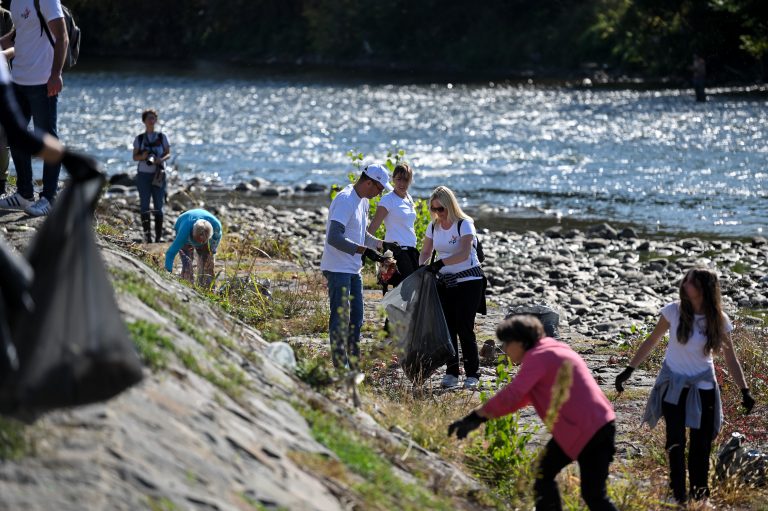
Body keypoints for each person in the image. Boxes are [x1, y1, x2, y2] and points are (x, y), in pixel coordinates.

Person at [615, 267, 755, 505]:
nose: (684, 285)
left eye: (689, 282)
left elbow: (731, 359)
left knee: (700, 447)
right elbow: (652, 340)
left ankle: (700, 498)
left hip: (704, 390)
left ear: (703, 288)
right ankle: (677, 495)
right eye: (685, 281)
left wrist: (745, 390)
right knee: (675, 443)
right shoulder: (673, 311)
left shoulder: (718, 319)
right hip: (674, 387)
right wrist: (629, 369)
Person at [449, 316, 618, 511]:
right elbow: (521, 399)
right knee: (544, 476)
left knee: (591, 494)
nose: (503, 348)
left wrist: (475, 417)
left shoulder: (539, 356)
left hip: (587, 429)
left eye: (506, 343)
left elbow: (513, 394)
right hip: (597, 424)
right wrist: (479, 418)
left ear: (520, 342)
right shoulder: (553, 348)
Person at [320, 164, 397, 370]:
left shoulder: (363, 201)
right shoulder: (346, 200)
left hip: (353, 269)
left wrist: (381, 245)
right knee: (341, 317)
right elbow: (334, 237)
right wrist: (363, 251)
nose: (379, 193)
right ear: (369, 182)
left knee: (357, 318)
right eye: (379, 189)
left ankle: (352, 363)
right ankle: (341, 368)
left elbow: (360, 234)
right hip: (338, 268)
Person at [0, 0, 68, 216]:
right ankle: (24, 194)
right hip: (18, 79)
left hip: (42, 81)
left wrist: (55, 74)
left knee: (47, 138)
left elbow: (62, 37)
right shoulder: (17, 2)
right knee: (16, 135)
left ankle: (49, 197)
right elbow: (19, 34)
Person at [419, 185, 485, 389]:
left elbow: (465, 253)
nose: (438, 213)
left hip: (469, 282)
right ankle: (452, 372)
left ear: (450, 206)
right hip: (445, 283)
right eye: (434, 209)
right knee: (447, 328)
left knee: (464, 327)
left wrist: (439, 264)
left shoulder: (464, 225)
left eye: (442, 209)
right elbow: (426, 252)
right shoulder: (433, 227)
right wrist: (421, 268)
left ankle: (473, 373)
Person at [367, 162, 419, 292]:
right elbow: (373, 226)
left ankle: (406, 312)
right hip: (397, 251)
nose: (402, 183)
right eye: (398, 179)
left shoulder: (409, 198)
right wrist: (366, 250)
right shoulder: (388, 199)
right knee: (409, 289)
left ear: (411, 180)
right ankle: (397, 312)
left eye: (406, 180)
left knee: (416, 288)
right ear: (393, 179)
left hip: (412, 250)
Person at [132, 109, 170, 243]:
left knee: (159, 206)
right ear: (144, 121)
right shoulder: (140, 139)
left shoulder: (162, 137)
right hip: (143, 175)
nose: (151, 121)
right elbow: (134, 157)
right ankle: (147, 236)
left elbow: (168, 153)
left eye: (153, 118)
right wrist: (143, 156)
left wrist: (160, 159)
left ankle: (158, 237)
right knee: (144, 205)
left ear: (156, 120)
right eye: (149, 118)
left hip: (159, 174)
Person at [164, 209, 222, 289]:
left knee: (207, 264)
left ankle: (207, 289)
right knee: (187, 264)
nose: (200, 244)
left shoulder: (216, 227)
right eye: (198, 240)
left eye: (203, 241)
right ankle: (186, 287)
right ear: (192, 234)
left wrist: (211, 253)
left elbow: (213, 247)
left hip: (205, 234)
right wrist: (167, 273)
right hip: (184, 225)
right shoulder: (184, 232)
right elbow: (170, 253)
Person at [0, 2, 12, 196]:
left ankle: (1, 180)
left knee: (2, 135)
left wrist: (1, 55)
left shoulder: (6, 17)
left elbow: (17, 46)